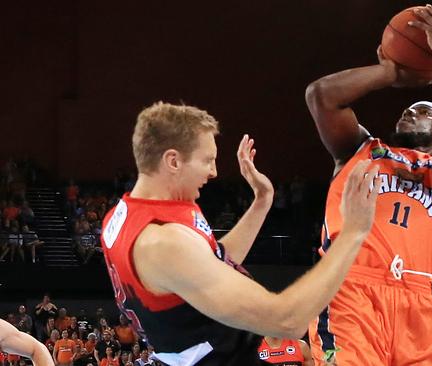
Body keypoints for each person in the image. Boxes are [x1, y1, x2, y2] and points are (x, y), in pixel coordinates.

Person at [100, 102, 381, 366]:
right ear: (172, 161)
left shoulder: (126, 214)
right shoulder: (164, 242)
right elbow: (288, 319)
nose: (213, 172)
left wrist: (262, 200)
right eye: (207, 160)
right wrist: (352, 232)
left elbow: (209, 261)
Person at [305, 5, 432, 365]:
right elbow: (321, 96)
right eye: (407, 110)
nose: (409, 112)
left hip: (419, 305)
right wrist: (389, 71)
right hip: (351, 290)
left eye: (423, 111)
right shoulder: (361, 150)